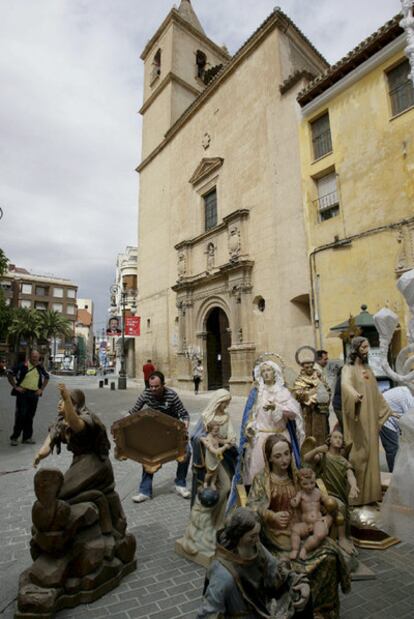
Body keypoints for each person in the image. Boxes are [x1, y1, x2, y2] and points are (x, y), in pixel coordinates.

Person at [247, 434, 350, 619]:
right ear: (269, 457)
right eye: (278, 456)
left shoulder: (299, 477)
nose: (284, 459)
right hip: (275, 537)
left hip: (303, 529)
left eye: (287, 454)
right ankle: (292, 610)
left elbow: (317, 495)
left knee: (330, 557)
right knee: (287, 567)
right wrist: (271, 515)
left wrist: (325, 514)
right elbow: (252, 505)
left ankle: (321, 609)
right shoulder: (262, 480)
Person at [197, 507, 312, 619]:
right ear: (238, 536)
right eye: (252, 536)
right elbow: (209, 612)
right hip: (245, 614)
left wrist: (297, 581)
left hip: (263, 604)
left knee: (300, 595)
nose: (257, 540)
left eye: (258, 534)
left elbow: (275, 569)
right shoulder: (223, 573)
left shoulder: (254, 546)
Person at [232, 360, 304, 503]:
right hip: (261, 439)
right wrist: (250, 427)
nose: (266, 373)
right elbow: (251, 415)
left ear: (275, 372)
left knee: (285, 470)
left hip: (281, 436)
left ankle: (286, 498)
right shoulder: (257, 393)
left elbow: (294, 413)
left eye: (269, 370)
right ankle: (260, 501)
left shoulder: (283, 392)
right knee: (259, 472)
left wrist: (278, 408)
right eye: (263, 371)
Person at [341, 336, 392, 506]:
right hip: (358, 419)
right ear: (355, 349)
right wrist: (354, 395)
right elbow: (345, 385)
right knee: (359, 455)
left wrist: (388, 410)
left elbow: (377, 393)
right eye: (363, 347)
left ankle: (371, 495)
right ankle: (357, 496)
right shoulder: (347, 369)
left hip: (371, 420)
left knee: (372, 453)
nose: (366, 350)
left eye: (367, 347)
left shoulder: (368, 369)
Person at [129, 371, 191, 502]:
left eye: (156, 386)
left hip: (172, 431)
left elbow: (184, 414)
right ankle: (145, 491)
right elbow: (133, 412)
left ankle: (180, 484)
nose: (153, 389)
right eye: (151, 386)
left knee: (187, 451)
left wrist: (185, 427)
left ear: (163, 384)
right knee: (147, 456)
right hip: (155, 433)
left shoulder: (172, 395)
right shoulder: (146, 394)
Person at [303, 431, 359, 555]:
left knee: (342, 507)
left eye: (340, 438)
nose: (338, 439)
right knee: (341, 506)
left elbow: (351, 475)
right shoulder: (323, 457)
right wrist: (317, 449)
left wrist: (354, 486)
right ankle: (342, 539)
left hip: (340, 495)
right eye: (335, 437)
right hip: (324, 494)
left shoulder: (344, 462)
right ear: (329, 440)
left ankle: (334, 537)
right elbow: (306, 458)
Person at [8, 350, 49, 446]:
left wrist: (41, 389)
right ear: (30, 357)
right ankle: (14, 437)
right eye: (33, 356)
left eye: (37, 357)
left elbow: (47, 377)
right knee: (21, 415)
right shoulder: (23, 365)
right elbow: (10, 373)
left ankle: (26, 437)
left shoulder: (40, 367)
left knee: (30, 416)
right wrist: (15, 387)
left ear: (39, 357)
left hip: (34, 394)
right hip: (23, 393)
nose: (35, 358)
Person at [290, 468, 333, 561]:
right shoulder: (300, 494)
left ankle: (305, 549)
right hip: (305, 523)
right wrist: (294, 501)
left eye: (312, 483)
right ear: (300, 484)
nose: (309, 486)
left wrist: (328, 502)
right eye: (305, 484)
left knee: (320, 534)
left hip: (318, 521)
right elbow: (295, 502)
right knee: (295, 530)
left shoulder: (318, 492)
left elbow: (326, 500)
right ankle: (295, 549)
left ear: (315, 480)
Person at [293, 348, 331, 446]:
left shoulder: (319, 376)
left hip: (321, 412)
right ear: (303, 367)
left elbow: (327, 390)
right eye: (307, 367)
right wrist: (310, 394)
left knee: (322, 435)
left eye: (311, 366)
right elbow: (297, 393)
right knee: (309, 434)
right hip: (308, 412)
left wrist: (322, 396)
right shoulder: (300, 379)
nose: (309, 369)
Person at [380, 385, 414, 472]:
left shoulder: (408, 392)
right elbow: (409, 420)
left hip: (394, 416)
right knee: (392, 448)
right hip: (385, 419)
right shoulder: (409, 398)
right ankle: (394, 475)